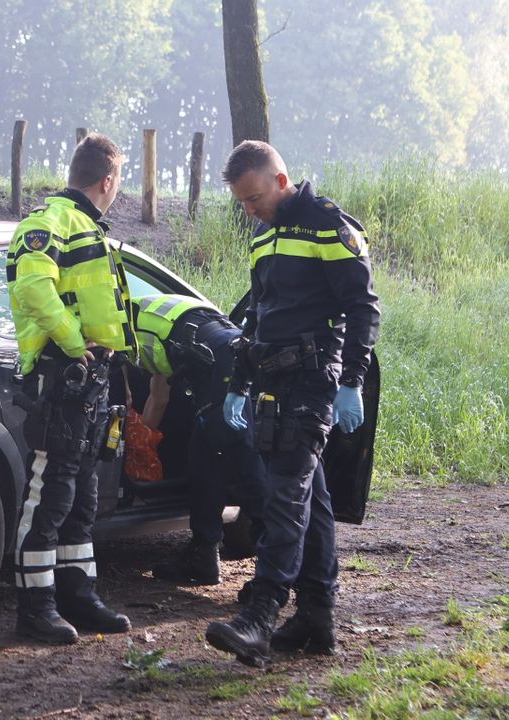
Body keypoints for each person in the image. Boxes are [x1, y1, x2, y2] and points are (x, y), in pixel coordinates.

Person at [204, 140, 380, 668]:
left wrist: (351, 381)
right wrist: (239, 380)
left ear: (280, 181)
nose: (249, 210)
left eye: (254, 198)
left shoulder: (329, 225)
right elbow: (257, 313)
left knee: (285, 497)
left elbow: (363, 306)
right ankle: (316, 618)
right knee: (313, 500)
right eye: (241, 203)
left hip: (314, 380)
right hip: (272, 380)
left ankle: (261, 615)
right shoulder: (263, 236)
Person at [6, 133, 138, 645]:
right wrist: (71, 340)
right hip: (62, 374)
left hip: (91, 377)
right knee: (50, 492)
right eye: (119, 181)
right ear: (109, 180)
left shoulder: (86, 228)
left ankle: (77, 595)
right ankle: (35, 606)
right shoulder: (49, 222)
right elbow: (32, 286)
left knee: (82, 491)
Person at [130, 294, 264, 586]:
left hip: (223, 366)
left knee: (242, 465)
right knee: (205, 459)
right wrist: (143, 442)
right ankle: (203, 557)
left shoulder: (124, 326)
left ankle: (277, 568)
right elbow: (159, 392)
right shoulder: (151, 309)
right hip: (235, 352)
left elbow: (155, 399)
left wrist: (135, 448)